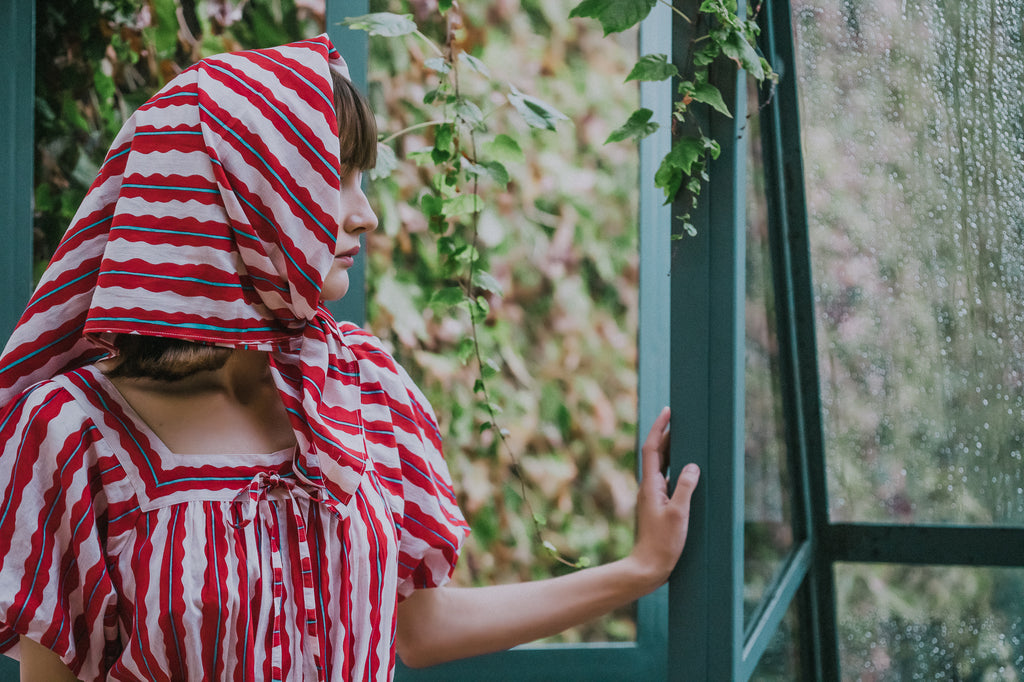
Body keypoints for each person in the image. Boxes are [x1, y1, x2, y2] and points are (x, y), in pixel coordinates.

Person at [0, 35, 700, 681]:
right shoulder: (73, 432)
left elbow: (419, 627)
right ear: (234, 196)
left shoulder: (362, 386)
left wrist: (637, 571)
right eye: (333, 178)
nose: (365, 214)